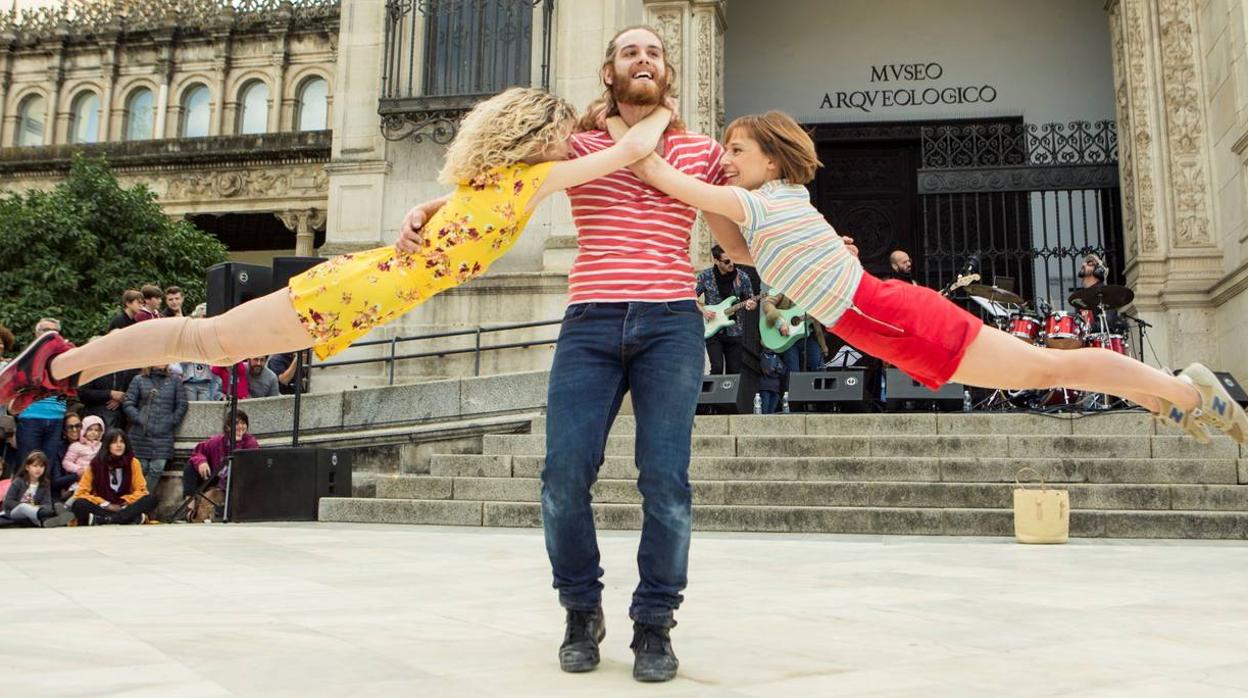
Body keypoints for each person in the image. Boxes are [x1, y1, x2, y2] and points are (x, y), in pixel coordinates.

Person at [0, 86, 672, 428]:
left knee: (206, 341)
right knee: (203, 338)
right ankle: (57, 361)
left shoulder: (490, 183)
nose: (568, 147)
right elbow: (630, 152)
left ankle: (62, 360)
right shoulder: (527, 180)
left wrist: (421, 216)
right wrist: (663, 113)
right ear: (537, 136)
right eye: (561, 136)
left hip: (360, 289)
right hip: (352, 292)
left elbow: (447, 216)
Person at [608, 109, 1248, 445]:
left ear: (771, 160)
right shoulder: (770, 214)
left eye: (737, 150)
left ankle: (1192, 391)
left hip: (899, 319)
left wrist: (623, 135)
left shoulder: (768, 199)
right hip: (894, 328)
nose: (726, 159)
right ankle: (1175, 398)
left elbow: (667, 179)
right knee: (1050, 367)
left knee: (1052, 368)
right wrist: (694, 186)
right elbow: (739, 251)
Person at [122, 365, 188, 497]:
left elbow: (182, 404)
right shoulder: (139, 379)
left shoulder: (175, 381)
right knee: (141, 468)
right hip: (141, 433)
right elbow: (128, 403)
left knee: (156, 468)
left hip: (163, 433)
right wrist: (139, 417)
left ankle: (140, 500)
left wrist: (171, 420)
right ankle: (137, 501)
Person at [181, 410, 258, 520]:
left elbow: (249, 467)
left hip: (235, 483)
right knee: (190, 466)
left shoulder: (250, 442)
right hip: (215, 476)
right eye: (236, 423)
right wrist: (201, 462)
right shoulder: (218, 441)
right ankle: (189, 506)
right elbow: (198, 451)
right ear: (227, 426)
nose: (240, 427)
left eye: (243, 423)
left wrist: (238, 443)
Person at [69, 429, 155, 526]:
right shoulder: (96, 464)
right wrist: (106, 504)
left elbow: (141, 490)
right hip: (103, 506)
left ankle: (106, 520)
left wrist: (124, 501)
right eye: (114, 442)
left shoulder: (133, 462)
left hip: (124, 506)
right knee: (79, 504)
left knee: (150, 499)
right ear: (107, 445)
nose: (119, 445)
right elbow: (81, 493)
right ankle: (126, 519)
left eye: (122, 442)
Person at [696, 245, 756, 375]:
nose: (731, 264)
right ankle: (713, 396)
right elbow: (690, 297)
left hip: (735, 331)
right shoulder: (705, 277)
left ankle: (730, 396)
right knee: (717, 367)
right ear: (717, 261)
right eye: (727, 261)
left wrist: (751, 305)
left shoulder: (742, 277)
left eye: (733, 259)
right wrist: (703, 311)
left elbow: (751, 300)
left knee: (733, 372)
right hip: (712, 330)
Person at [15, 319, 68, 465]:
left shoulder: (64, 356)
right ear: (37, 334)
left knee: (48, 467)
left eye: (56, 332)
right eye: (46, 331)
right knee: (27, 465)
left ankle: (44, 489)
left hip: (56, 417)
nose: (52, 335)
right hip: (31, 416)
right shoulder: (27, 356)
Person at [761, 292, 828, 374]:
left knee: (819, 367)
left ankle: (820, 385)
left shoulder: (812, 300)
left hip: (805, 337)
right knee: (793, 372)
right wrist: (780, 323)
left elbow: (818, 329)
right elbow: (767, 304)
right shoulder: (783, 290)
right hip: (786, 339)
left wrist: (823, 346)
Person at [3, 451, 55, 526]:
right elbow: (8, 502)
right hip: (15, 512)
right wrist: (28, 506)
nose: (38, 469)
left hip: (34, 512)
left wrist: (36, 508)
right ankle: (47, 517)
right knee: (23, 507)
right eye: (35, 466)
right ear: (27, 467)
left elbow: (48, 504)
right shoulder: (18, 481)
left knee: (47, 509)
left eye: (41, 466)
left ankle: (45, 521)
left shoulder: (45, 484)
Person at [61, 414, 104, 496]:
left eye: (96, 430)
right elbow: (66, 462)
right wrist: (79, 470)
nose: (93, 432)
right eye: (90, 429)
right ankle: (67, 505)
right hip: (82, 477)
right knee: (79, 491)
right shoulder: (76, 446)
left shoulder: (102, 446)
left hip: (97, 477)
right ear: (84, 430)